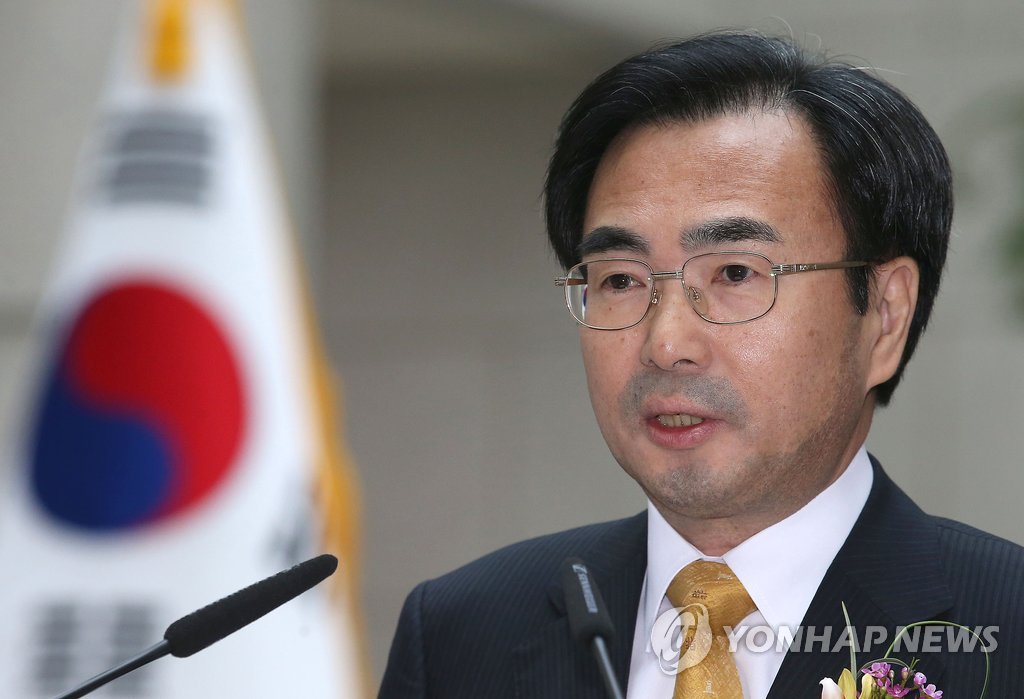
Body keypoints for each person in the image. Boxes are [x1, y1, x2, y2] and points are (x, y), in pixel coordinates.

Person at [378, 31, 1024, 698]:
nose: (666, 343)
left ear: (885, 315)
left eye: (735, 272)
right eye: (620, 279)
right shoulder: (461, 638)